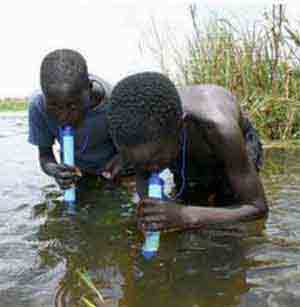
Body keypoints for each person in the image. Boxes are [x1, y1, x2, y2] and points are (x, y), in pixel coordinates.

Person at [107, 72, 268, 231]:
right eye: (138, 163)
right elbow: (146, 180)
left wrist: (185, 216)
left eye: (155, 160)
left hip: (228, 149)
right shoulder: (142, 139)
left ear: (181, 126)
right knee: (192, 200)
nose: (150, 170)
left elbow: (257, 207)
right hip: (176, 146)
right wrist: (154, 213)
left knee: (227, 212)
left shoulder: (220, 127)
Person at [28, 49, 121, 192]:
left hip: (117, 173)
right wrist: (55, 171)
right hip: (78, 177)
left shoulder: (115, 103)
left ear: (89, 90)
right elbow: (45, 156)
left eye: (72, 106)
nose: (63, 117)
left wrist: (124, 159)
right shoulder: (38, 107)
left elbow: (137, 148)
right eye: (53, 106)